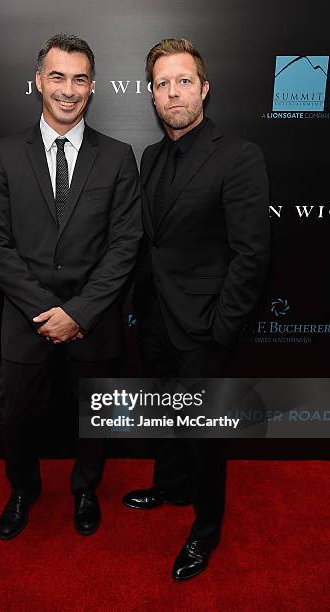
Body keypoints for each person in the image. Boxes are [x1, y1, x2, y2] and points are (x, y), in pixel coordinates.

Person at [0, 33, 141, 540]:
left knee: (94, 417)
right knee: (17, 419)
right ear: (38, 82)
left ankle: (86, 488)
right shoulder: (4, 153)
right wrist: (45, 310)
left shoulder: (117, 157)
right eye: (57, 76)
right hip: (25, 317)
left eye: (79, 79)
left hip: (92, 319)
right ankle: (23, 489)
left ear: (92, 87)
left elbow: (125, 244)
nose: (67, 90)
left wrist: (80, 312)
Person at [122, 38, 270, 580]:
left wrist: (221, 329)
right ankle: (171, 486)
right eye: (162, 84)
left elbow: (251, 253)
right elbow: (151, 243)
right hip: (156, 319)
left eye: (183, 81)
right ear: (152, 95)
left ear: (204, 88)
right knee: (166, 415)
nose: (173, 92)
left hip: (205, 326)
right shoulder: (152, 156)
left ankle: (206, 531)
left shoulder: (238, 155)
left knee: (206, 435)